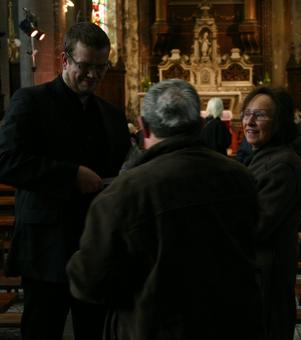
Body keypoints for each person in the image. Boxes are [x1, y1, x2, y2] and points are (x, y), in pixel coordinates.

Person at [67, 79, 265, 340]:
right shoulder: (241, 177)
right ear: (201, 124)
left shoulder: (122, 193)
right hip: (230, 324)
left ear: (143, 127)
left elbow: (89, 283)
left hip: (154, 328)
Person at [0, 22, 130, 340]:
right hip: (47, 246)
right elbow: (6, 161)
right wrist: (70, 175)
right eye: (85, 66)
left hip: (96, 246)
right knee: (42, 330)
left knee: (95, 332)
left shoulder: (112, 115)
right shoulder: (30, 102)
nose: (93, 76)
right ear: (65, 61)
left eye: (101, 68)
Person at [241, 86, 301, 339]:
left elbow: (256, 226)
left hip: (269, 274)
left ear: (279, 122)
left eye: (261, 115)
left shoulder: (280, 166)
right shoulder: (265, 156)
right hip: (261, 272)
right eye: (247, 114)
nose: (250, 122)